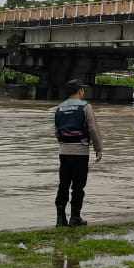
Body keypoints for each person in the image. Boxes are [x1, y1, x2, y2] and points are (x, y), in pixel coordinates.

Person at [53, 79, 103, 227]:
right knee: (78, 186)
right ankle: (75, 217)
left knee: (63, 184)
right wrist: (98, 149)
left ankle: (60, 218)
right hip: (81, 152)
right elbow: (93, 129)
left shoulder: (59, 108)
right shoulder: (86, 107)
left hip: (64, 151)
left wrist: (63, 144)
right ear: (80, 91)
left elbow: (56, 131)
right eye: (83, 89)